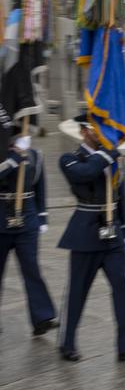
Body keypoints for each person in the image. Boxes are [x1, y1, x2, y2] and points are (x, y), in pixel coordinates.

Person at [57, 113, 125, 362]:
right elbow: (84, 174)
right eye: (95, 128)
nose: (100, 133)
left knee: (121, 287)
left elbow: (120, 196)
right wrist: (108, 154)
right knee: (78, 290)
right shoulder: (70, 159)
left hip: (112, 235)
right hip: (85, 233)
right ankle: (67, 342)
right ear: (83, 132)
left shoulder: (110, 160)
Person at [0, 128, 58, 336]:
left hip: (27, 218)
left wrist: (42, 216)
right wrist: (14, 158)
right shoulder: (5, 154)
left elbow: (39, 187)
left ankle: (41, 316)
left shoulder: (35, 155)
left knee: (32, 269)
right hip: (1, 218)